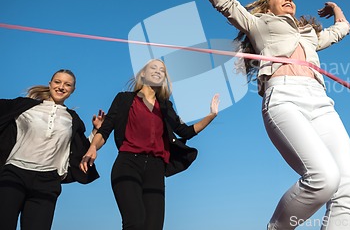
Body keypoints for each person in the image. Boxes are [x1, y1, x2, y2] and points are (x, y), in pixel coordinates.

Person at [157, 0, 350, 230]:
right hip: (285, 99)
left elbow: (341, 30)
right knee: (323, 179)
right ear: (268, 5)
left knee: (349, 186)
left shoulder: (309, 35)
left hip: (322, 103)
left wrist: (337, 9)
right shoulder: (257, 23)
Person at [80, 58, 220, 230]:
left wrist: (211, 115)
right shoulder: (124, 99)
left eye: (162, 70)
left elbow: (186, 132)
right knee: (135, 222)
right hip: (128, 164)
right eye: (153, 68)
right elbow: (105, 129)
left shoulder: (166, 106)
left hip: (156, 169)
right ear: (143, 74)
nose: (158, 71)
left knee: (153, 226)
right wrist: (93, 147)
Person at [0, 69, 100, 230]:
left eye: (67, 84)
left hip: (47, 181)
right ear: (50, 84)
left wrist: (95, 132)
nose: (61, 87)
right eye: (57, 82)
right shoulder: (24, 106)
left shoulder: (72, 119)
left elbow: (79, 151)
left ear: (73, 90)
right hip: (14, 173)